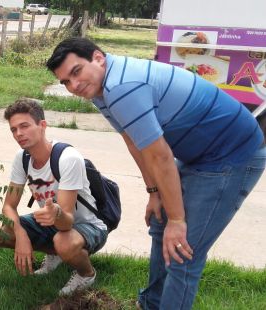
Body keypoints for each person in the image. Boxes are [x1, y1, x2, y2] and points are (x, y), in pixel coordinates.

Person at [47, 37, 265, 309]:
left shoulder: (122, 87)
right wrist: (154, 193)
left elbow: (160, 156)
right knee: (161, 224)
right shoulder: (101, 88)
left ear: (98, 58)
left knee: (183, 252)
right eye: (66, 81)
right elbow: (133, 141)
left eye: (76, 72)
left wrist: (178, 219)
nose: (74, 85)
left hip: (230, 155)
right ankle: (151, 304)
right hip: (198, 154)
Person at [0, 99, 108, 295]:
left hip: (87, 226)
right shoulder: (22, 157)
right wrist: (21, 235)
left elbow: (66, 222)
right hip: (51, 221)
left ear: (42, 125)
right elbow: (9, 205)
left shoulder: (68, 158)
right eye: (13, 129)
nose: (19, 134)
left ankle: (86, 273)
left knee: (63, 240)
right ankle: (56, 255)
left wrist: (56, 213)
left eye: (24, 126)